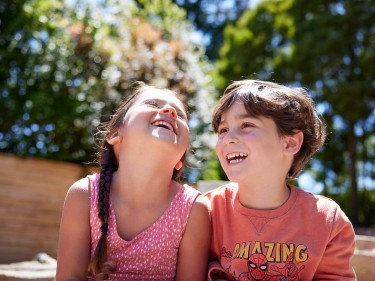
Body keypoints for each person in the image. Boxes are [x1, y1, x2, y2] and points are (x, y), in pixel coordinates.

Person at [56, 81, 211, 280]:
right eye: (152, 105)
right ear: (115, 135)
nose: (169, 111)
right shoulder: (84, 194)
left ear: (180, 160)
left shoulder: (194, 209)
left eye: (180, 115)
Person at [205, 79, 356, 280]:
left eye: (246, 125)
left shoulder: (327, 220)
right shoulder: (206, 211)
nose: (228, 138)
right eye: (223, 130)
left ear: (290, 143)